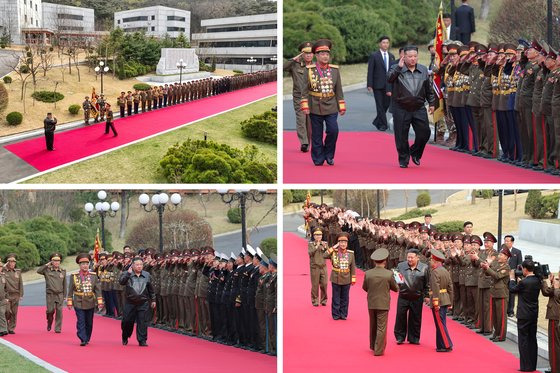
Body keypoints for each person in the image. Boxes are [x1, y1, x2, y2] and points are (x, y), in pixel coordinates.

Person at [387, 45, 436, 168]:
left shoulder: (423, 69)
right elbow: (389, 79)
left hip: (419, 107)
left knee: (425, 132)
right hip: (401, 108)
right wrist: (399, 67)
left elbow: (428, 88)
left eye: (415, 56)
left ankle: (415, 152)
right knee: (401, 135)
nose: (413, 59)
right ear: (404, 57)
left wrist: (432, 103)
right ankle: (404, 159)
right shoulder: (396, 68)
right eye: (410, 56)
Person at [301, 39, 346, 166]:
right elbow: (304, 90)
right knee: (316, 134)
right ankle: (318, 158)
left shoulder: (334, 70)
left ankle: (329, 154)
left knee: (333, 130)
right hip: (315, 105)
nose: (325, 56)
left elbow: (339, 90)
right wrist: (305, 106)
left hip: (331, 105)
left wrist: (341, 106)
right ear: (316, 55)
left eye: (327, 54)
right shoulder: (309, 70)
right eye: (322, 54)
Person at [362, 248, 398, 356]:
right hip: (383, 303)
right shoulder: (388, 274)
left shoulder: (368, 273)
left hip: (372, 302)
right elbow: (395, 288)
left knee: (373, 325)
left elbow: (365, 287)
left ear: (374, 261)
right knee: (381, 327)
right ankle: (379, 349)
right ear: (385, 261)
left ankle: (373, 345)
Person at [509, 258, 542, 372]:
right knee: (532, 339)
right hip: (533, 314)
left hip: (523, 314)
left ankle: (525, 366)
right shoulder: (538, 280)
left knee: (523, 340)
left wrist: (512, 278)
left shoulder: (524, 282)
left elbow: (512, 289)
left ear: (526, 270)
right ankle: (532, 365)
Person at [67, 253, 104, 346]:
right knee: (81, 320)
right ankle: (82, 338)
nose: (85, 266)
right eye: (83, 264)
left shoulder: (93, 275)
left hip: (90, 301)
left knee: (89, 322)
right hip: (78, 301)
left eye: (86, 264)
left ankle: (87, 337)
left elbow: (97, 290)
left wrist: (100, 302)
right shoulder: (74, 276)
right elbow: (70, 289)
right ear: (79, 265)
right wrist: (69, 302)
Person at [394, 248, 430, 345]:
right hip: (403, 296)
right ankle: (400, 337)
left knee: (416, 318)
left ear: (418, 258)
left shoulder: (424, 268)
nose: (409, 259)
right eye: (408, 257)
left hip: (417, 297)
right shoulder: (401, 266)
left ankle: (414, 338)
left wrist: (427, 295)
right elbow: (395, 278)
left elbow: (427, 283)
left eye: (412, 257)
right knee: (400, 317)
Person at [284, 41, 314, 152]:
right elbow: (282, 67)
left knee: (309, 121)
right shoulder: (295, 65)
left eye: (310, 53)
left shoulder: (316, 66)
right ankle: (304, 143)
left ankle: (309, 142)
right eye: (306, 53)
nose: (308, 55)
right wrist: (293, 59)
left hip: (312, 97)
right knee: (301, 119)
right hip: (299, 97)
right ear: (302, 54)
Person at [120, 257, 156, 346]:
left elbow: (151, 289)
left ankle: (142, 340)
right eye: (137, 265)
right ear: (132, 265)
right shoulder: (127, 273)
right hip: (130, 303)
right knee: (127, 321)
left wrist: (153, 300)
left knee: (143, 322)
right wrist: (128, 274)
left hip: (143, 302)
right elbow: (121, 282)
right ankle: (125, 335)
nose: (139, 266)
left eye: (141, 264)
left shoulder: (147, 275)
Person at [481, 246, 511, 342]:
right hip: (494, 292)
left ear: (506, 257)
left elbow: (497, 276)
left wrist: (488, 268)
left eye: (501, 254)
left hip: (501, 294)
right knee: (494, 315)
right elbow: (487, 274)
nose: (499, 256)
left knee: (501, 316)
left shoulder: (506, 267)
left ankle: (501, 335)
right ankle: (496, 333)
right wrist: (487, 265)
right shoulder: (496, 264)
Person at [324, 232, 356, 320]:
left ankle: (343, 314)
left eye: (345, 242)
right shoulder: (334, 252)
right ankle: (336, 314)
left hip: (346, 278)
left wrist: (353, 279)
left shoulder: (350, 254)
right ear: (338, 243)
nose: (343, 244)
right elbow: (324, 255)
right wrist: (334, 247)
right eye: (341, 242)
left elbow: (353, 267)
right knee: (336, 297)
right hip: (336, 277)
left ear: (347, 244)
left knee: (345, 298)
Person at [367, 36, 395, 131]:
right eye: (383, 42)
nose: (385, 44)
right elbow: (370, 70)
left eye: (387, 42)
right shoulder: (374, 56)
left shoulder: (391, 56)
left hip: (388, 85)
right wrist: (369, 84)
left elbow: (393, 71)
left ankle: (376, 121)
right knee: (379, 105)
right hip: (377, 85)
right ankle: (383, 125)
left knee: (386, 104)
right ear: (380, 44)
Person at [428, 249, 453, 352]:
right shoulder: (445, 271)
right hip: (445, 299)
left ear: (436, 261)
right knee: (441, 323)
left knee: (440, 324)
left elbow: (435, 289)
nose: (430, 262)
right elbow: (450, 287)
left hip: (438, 300)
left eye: (431, 260)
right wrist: (450, 302)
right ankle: (441, 345)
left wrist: (435, 303)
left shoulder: (435, 272)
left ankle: (446, 344)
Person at [36, 253, 67, 333]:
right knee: (50, 310)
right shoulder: (47, 270)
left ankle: (57, 328)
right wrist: (47, 264)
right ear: (51, 262)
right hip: (50, 294)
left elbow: (64, 284)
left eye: (58, 261)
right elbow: (38, 271)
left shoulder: (63, 271)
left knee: (59, 311)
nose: (56, 262)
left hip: (59, 294)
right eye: (54, 261)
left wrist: (65, 295)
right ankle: (49, 322)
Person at [541, 272, 560, 373]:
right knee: (553, 344)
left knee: (554, 344)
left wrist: (556, 288)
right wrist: (547, 281)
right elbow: (546, 292)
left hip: (556, 317)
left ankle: (555, 369)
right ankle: (554, 367)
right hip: (554, 316)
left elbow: (557, 297)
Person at [308, 228, 328, 307]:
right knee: (315, 284)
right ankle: (315, 300)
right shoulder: (311, 244)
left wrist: (324, 248)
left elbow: (328, 254)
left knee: (324, 284)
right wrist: (316, 246)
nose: (319, 236)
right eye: (317, 235)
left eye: (320, 235)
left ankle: (324, 300)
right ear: (314, 236)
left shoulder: (324, 243)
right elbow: (310, 253)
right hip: (315, 267)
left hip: (323, 266)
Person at [4, 254, 23, 334]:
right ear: (7, 263)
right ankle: (4, 325)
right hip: (7, 295)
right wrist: (4, 265)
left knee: (14, 312)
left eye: (14, 262)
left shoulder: (18, 272)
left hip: (16, 295)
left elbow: (20, 284)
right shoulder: (3, 271)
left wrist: (21, 294)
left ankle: (11, 328)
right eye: (10, 262)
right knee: (7, 311)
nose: (12, 264)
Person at [505, 235, 523, 316]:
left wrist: (515, 273)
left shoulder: (517, 252)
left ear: (512, 242)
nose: (506, 242)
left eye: (508, 241)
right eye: (505, 241)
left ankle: (510, 311)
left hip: (512, 276)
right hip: (503, 276)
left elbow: (520, 265)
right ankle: (504, 309)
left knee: (511, 294)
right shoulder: (501, 251)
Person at [0, 259, 8, 336]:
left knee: (1, 313)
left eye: (1, 267)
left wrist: (7, 298)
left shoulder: (3, 276)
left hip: (2, 300)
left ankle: (3, 330)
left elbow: (7, 288)